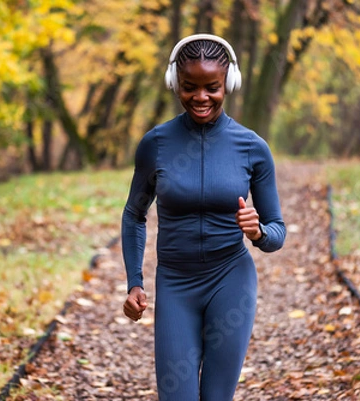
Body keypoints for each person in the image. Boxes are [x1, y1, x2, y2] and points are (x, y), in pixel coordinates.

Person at [121, 33, 286, 401]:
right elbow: (134, 214)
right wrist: (135, 282)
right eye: (189, 87)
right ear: (174, 84)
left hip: (231, 281)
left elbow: (278, 232)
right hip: (175, 283)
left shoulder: (252, 148)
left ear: (228, 84)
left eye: (212, 87)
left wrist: (258, 232)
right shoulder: (156, 144)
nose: (200, 97)